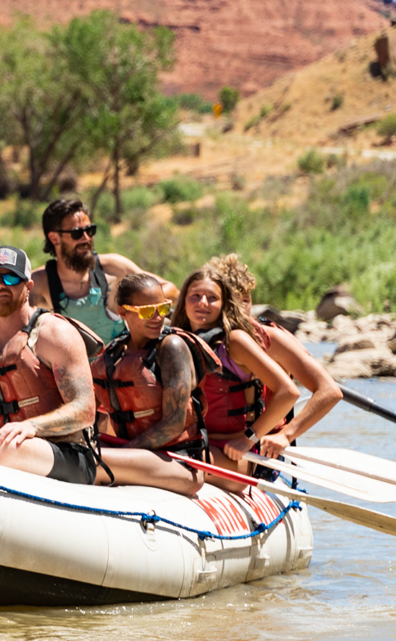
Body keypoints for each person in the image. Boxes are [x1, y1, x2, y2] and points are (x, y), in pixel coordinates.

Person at [0, 246, 104, 484]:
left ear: (28, 287)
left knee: (12, 449)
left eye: (10, 278)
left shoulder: (54, 334)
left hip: (70, 456)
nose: (0, 285)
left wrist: (32, 427)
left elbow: (85, 410)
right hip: (5, 455)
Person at [172, 266, 300, 492]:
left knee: (163, 461)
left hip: (234, 454)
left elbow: (288, 392)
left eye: (212, 298)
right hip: (194, 444)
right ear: (183, 302)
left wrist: (249, 438)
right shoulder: (175, 339)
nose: (202, 303)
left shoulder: (235, 342)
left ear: (224, 305)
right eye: (195, 296)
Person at [88, 273, 209, 495]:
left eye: (162, 309)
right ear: (122, 311)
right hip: (134, 458)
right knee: (73, 453)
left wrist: (123, 454)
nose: (157, 317)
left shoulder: (172, 347)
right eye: (146, 311)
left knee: (88, 460)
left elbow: (174, 424)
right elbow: (89, 415)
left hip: (179, 463)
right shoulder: (112, 355)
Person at [204, 254, 342, 444]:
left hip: (256, 447)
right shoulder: (205, 336)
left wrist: (286, 435)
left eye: (245, 300)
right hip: (214, 443)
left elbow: (329, 391)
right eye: (233, 301)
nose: (240, 309)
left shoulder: (270, 338)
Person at [30, 198, 172, 344]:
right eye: (77, 233)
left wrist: (144, 305)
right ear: (54, 238)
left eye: (90, 230)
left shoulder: (115, 270)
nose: (86, 238)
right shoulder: (38, 284)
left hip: (120, 365)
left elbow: (171, 289)